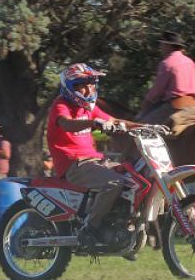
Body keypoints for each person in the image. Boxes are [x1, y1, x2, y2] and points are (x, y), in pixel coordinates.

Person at [47, 63, 140, 248]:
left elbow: (114, 120)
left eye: (91, 83)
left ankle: (122, 227)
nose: (89, 88)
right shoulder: (61, 105)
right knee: (114, 183)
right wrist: (93, 123)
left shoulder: (89, 108)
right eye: (83, 84)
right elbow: (66, 124)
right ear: (70, 87)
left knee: (135, 177)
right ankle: (90, 228)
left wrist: (145, 126)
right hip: (73, 164)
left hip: (95, 160)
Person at [137, 31, 195, 126]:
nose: (160, 47)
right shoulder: (190, 62)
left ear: (168, 46)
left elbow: (158, 89)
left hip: (174, 107)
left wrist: (146, 102)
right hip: (194, 105)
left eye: (162, 44)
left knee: (141, 127)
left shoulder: (166, 63)